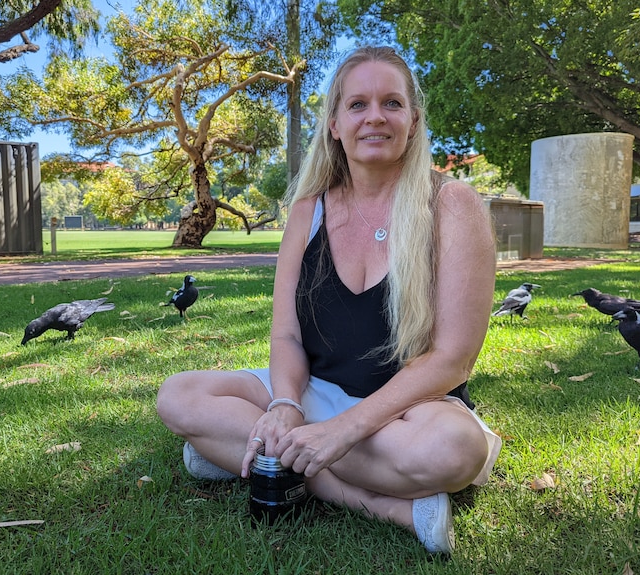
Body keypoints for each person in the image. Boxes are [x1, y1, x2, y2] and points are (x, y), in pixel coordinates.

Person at [157, 45, 501, 555]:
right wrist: (286, 404)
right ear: (335, 124)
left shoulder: (451, 205)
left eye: (392, 103)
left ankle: (248, 457)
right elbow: (286, 333)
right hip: (313, 391)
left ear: (413, 120)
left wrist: (344, 430)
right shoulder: (308, 210)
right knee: (178, 396)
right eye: (357, 105)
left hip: (408, 412)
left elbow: (453, 358)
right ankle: (387, 506)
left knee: (456, 451)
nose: (375, 117)